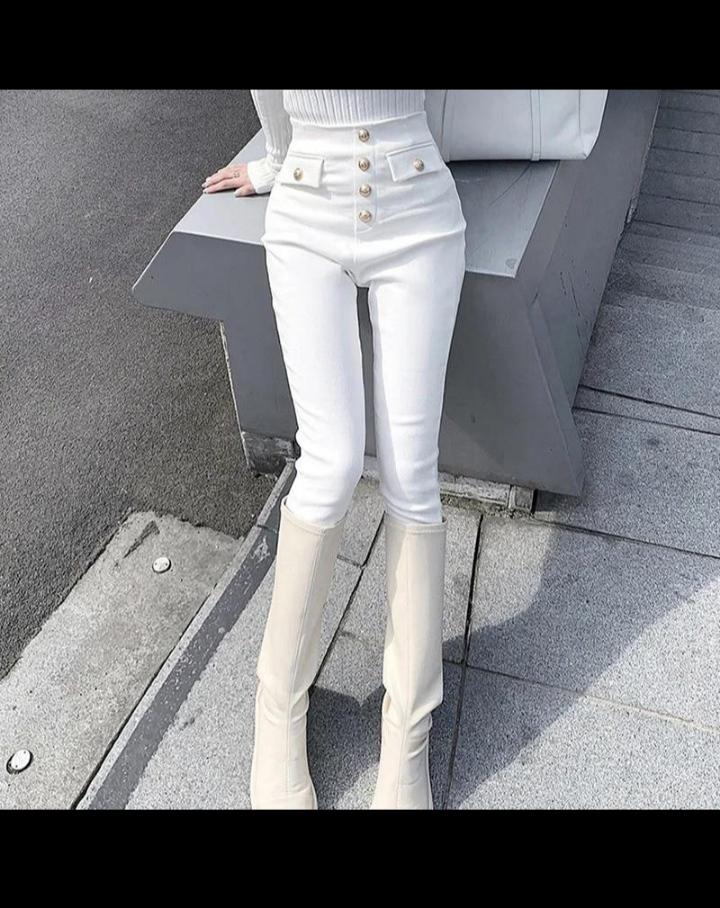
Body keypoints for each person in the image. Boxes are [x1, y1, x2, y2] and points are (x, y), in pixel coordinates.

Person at [202, 90, 467, 810]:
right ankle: (277, 710)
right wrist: (272, 163)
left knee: (413, 473)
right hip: (306, 202)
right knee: (332, 461)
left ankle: (407, 737)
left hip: (416, 197)